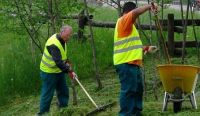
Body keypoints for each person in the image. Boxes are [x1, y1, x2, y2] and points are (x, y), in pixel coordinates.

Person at [113, 2, 158, 116]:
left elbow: (131, 46)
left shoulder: (130, 27)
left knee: (138, 89)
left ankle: (136, 112)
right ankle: (126, 114)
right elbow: (135, 13)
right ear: (128, 12)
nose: (136, 19)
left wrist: (146, 48)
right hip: (126, 63)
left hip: (133, 63)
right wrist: (149, 6)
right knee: (129, 91)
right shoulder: (123, 20)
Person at [38, 25, 77, 115]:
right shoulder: (53, 44)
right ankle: (43, 113)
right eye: (67, 35)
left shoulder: (63, 40)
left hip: (58, 71)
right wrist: (69, 71)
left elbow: (63, 57)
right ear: (61, 32)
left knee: (63, 91)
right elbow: (58, 62)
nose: (68, 38)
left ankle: (64, 110)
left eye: (70, 35)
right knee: (48, 94)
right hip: (48, 72)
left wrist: (69, 66)